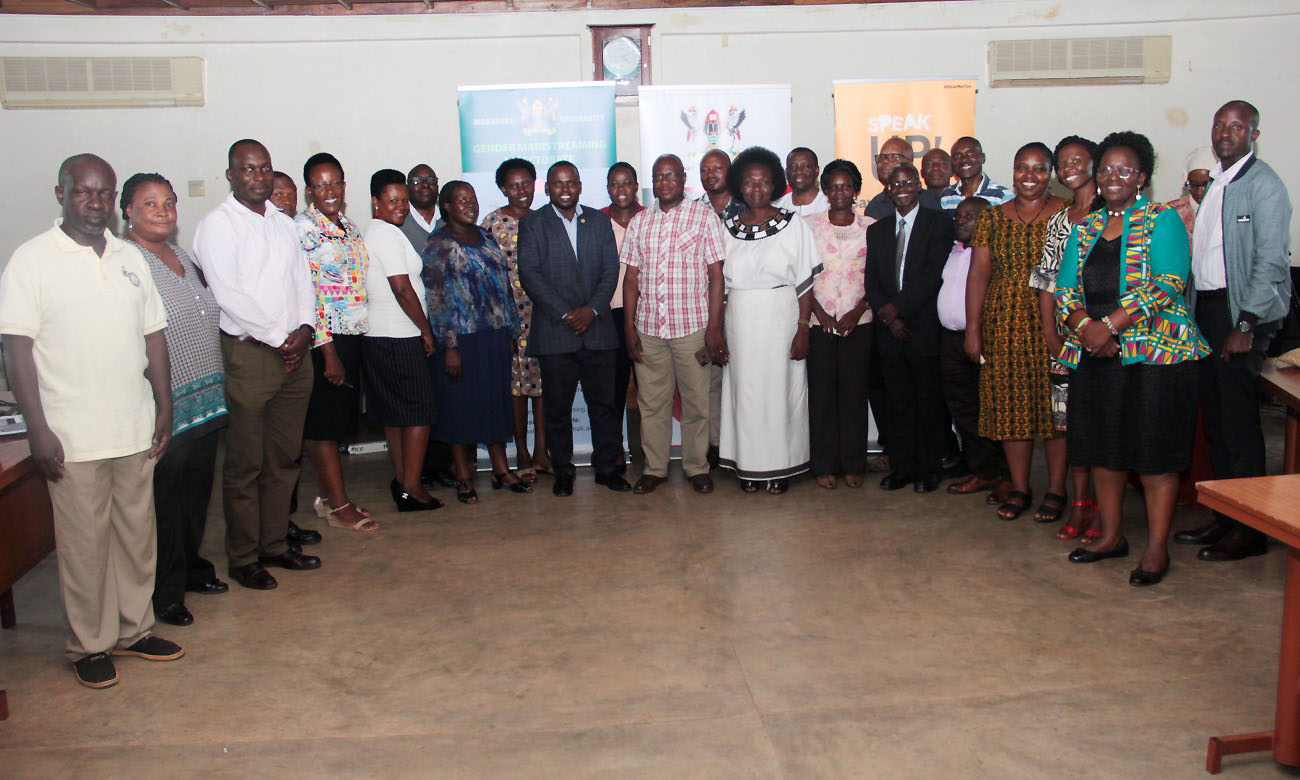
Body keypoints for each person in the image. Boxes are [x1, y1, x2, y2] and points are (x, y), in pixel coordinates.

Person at [0, 154, 182, 688]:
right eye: (84, 191)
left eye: (104, 192)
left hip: (133, 424)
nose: (96, 202)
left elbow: (154, 334)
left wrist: (164, 402)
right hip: (70, 435)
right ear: (61, 193)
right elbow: (17, 351)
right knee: (84, 544)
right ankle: (89, 644)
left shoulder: (129, 257)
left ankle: (135, 629)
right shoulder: (31, 260)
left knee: (135, 533)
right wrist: (37, 427)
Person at [1055, 131, 1209, 586]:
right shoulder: (1084, 229)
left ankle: (1157, 549)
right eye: (1106, 169)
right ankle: (1111, 537)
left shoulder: (1161, 220)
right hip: (1098, 355)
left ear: (1141, 177)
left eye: (1124, 169)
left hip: (1157, 357)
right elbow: (1065, 292)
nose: (1113, 177)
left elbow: (1167, 283)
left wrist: (1112, 325)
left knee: (1154, 454)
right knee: (1105, 449)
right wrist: (1089, 329)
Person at [193, 139, 320, 591]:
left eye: (265, 168)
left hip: (295, 354)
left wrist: (304, 328)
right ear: (231, 175)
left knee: (284, 458)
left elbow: (302, 281)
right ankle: (244, 557)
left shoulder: (283, 224)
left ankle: (273, 545)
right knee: (246, 463)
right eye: (248, 169)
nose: (258, 176)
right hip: (251, 353)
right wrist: (279, 337)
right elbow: (228, 294)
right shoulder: (217, 227)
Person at [1176, 100, 1294, 562]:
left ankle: (1251, 531)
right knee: (1219, 425)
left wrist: (1245, 323)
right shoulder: (1219, 181)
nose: (1226, 132)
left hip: (1239, 316)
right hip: (1206, 312)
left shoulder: (1264, 186)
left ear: (1254, 135)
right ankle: (1227, 515)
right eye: (1220, 125)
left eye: (1237, 126)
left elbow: (1269, 260)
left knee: (1240, 425)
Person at [121, 173, 228, 628]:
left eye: (168, 202)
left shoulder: (180, 254)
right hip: (166, 399)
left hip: (204, 394)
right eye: (150, 204)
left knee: (196, 492)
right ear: (127, 211)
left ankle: (192, 569)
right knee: (165, 500)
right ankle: (164, 594)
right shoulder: (128, 261)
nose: (163, 211)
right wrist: (161, 401)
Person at [965, 141, 1069, 522]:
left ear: (1050, 174)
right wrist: (972, 328)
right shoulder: (992, 218)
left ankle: (1057, 489)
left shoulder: (1065, 213)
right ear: (1012, 172)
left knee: (1055, 412)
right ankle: (1020, 487)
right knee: (1012, 410)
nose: (1030, 175)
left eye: (1039, 168)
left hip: (1055, 321)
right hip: (1003, 322)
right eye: (1022, 168)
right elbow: (978, 275)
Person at [517, 161, 631, 496]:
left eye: (571, 183)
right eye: (558, 183)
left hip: (598, 329)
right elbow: (530, 275)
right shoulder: (534, 223)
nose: (565, 189)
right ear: (547, 187)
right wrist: (568, 314)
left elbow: (610, 271)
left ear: (580, 186)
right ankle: (563, 470)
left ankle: (607, 468)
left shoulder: (598, 221)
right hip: (556, 331)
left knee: (605, 406)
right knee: (557, 409)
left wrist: (592, 310)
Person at [717, 146, 820, 494]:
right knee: (745, 393)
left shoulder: (794, 226)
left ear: (775, 183)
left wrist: (803, 329)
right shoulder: (727, 229)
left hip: (781, 318)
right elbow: (721, 287)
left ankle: (781, 467)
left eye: (763, 182)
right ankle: (749, 467)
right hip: (741, 321)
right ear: (739, 186)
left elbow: (806, 284)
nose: (756, 188)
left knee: (780, 393)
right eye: (749, 182)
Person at [620, 154, 726, 494]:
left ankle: (696, 467)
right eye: (659, 176)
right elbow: (631, 279)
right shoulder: (640, 222)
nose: (665, 182)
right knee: (652, 403)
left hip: (692, 327)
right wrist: (629, 327)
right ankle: (654, 468)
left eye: (671, 176)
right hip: (650, 328)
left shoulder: (704, 217)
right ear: (653, 181)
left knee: (697, 402)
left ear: (683, 178)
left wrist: (713, 328)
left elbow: (716, 276)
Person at [424, 181, 531, 503]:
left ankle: (501, 469)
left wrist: (512, 329)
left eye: (472, 199)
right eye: (461, 200)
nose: (470, 205)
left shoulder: (485, 235)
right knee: (460, 408)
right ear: (447, 206)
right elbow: (437, 299)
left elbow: (504, 283)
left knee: (495, 403)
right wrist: (450, 346)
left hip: (495, 335)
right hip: (462, 340)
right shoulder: (439, 243)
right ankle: (463, 476)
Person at [295, 152, 376, 532]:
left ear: (344, 186)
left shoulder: (348, 226)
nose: (329, 190)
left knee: (340, 423)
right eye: (320, 185)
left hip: (353, 335)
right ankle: (340, 507)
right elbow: (309, 294)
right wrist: (328, 352)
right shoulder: (304, 229)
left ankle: (330, 498)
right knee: (324, 427)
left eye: (335, 183)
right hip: (325, 342)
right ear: (309, 191)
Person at [1028, 136, 1101, 541]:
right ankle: (1079, 502)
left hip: (1110, 337)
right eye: (1063, 162)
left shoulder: (1114, 211)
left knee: (1099, 423)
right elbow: (1045, 281)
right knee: (1065, 424)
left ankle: (1102, 509)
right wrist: (1049, 333)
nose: (1070, 166)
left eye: (1079, 159)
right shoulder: (1060, 219)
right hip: (1065, 340)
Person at [866, 163, 955, 493]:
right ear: (887, 190)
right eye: (894, 183)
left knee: (928, 403)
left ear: (917, 185)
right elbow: (872, 282)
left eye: (907, 182)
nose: (901, 187)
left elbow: (932, 275)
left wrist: (898, 310)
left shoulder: (939, 223)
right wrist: (890, 319)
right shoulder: (877, 230)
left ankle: (928, 469)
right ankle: (902, 467)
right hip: (889, 332)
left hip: (924, 328)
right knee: (897, 402)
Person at [362, 169, 441, 512]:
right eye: (393, 201)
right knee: (420, 412)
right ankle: (412, 486)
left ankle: (402, 480)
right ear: (376, 202)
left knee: (395, 414)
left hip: (380, 335)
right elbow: (402, 289)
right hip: (399, 334)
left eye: (404, 201)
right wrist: (425, 330)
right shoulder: (388, 236)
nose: (401, 207)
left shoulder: (376, 231)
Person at [482, 158, 551, 481]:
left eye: (526, 183)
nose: (521, 191)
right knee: (515, 387)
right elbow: (483, 274)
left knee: (543, 385)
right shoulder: (492, 223)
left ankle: (542, 451)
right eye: (513, 185)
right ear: (502, 189)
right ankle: (521, 450)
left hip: (545, 314)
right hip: (508, 317)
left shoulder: (546, 219)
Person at [806, 159, 873, 489]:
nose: (840, 192)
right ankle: (823, 465)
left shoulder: (872, 228)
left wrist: (856, 312)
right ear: (825, 190)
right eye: (833, 186)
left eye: (846, 186)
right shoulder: (807, 226)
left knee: (853, 395)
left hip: (858, 324)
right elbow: (801, 277)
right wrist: (818, 313)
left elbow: (878, 278)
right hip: (819, 324)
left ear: (856, 190)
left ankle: (854, 463)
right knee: (822, 397)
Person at [938, 197, 1006, 497]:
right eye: (959, 215)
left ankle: (1004, 475)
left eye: (970, 216)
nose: (961, 220)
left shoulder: (993, 253)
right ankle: (982, 470)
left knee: (990, 410)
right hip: (950, 340)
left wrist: (975, 334)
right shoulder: (954, 250)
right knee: (963, 410)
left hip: (981, 339)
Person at [401, 162, 456, 488]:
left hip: (447, 323)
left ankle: (442, 464)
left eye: (429, 180)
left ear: (438, 186)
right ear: (408, 187)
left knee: (446, 395)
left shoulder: (447, 222)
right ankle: (417, 468)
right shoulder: (397, 223)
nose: (423, 184)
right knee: (420, 399)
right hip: (413, 322)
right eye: (416, 180)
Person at [696, 149, 743, 469]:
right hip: (704, 308)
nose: (711, 174)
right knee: (709, 381)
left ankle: (742, 445)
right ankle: (714, 446)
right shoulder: (693, 210)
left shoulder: (751, 206)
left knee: (743, 377)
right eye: (705, 169)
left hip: (743, 306)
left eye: (718, 168)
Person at [602, 161, 645, 474]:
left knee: (649, 388)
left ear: (636, 186)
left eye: (627, 183)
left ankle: (647, 453)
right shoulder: (596, 222)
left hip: (648, 314)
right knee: (613, 389)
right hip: (609, 316)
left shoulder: (651, 219)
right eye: (615, 184)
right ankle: (615, 451)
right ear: (608, 188)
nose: (621, 190)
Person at [864, 137, 941, 219]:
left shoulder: (929, 203)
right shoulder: (874, 207)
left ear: (910, 163)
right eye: (882, 157)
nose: (885, 161)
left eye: (894, 156)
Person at [941, 137, 1014, 213]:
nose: (964, 159)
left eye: (970, 154)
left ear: (983, 158)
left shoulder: (1003, 197)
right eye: (957, 156)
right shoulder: (946, 197)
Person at [1168, 147, 1216, 239]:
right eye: (1194, 185)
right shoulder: (1171, 212)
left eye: (1206, 185)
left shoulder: (1226, 211)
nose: (1200, 192)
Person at [775, 147, 829, 216]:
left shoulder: (830, 204)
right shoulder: (777, 207)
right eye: (793, 167)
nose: (799, 172)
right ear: (786, 172)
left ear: (817, 170)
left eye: (805, 167)